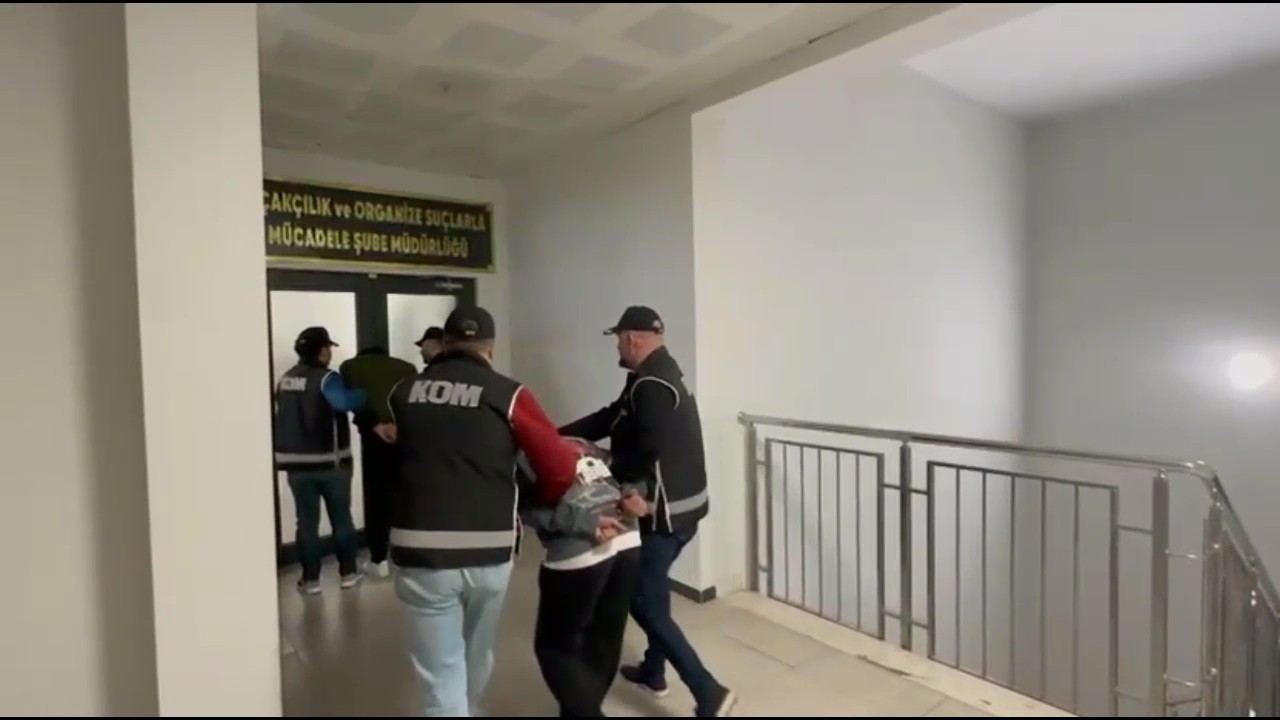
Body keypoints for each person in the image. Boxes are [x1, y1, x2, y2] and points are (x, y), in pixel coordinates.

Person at [383, 306, 580, 717]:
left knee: (441, 669)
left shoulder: (403, 392)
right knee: (477, 649)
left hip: (421, 551)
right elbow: (560, 467)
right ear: (491, 348)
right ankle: (469, 708)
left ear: (445, 343)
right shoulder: (509, 394)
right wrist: (541, 499)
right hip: (490, 549)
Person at [559, 305, 735, 717]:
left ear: (632, 338)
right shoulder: (656, 374)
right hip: (686, 509)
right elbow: (612, 417)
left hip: (663, 514)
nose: (617, 348)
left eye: (618, 340)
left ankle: (709, 692)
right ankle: (654, 672)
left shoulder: (652, 385)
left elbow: (648, 448)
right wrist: (557, 435)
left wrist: (608, 465)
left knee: (644, 602)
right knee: (655, 589)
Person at [518, 437, 648, 718]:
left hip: (579, 552)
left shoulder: (522, 456)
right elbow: (629, 473)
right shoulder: (580, 443)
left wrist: (586, 521)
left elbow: (529, 510)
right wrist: (632, 494)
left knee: (554, 648)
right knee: (605, 639)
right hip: (628, 539)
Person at [272, 326, 368, 595]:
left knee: (306, 523)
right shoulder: (327, 378)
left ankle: (310, 580)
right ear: (323, 350)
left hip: (295, 465)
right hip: (330, 464)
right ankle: (348, 573)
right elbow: (344, 403)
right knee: (341, 519)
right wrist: (364, 393)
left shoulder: (285, 379)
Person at [338, 345, 417, 579]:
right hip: (404, 437)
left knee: (375, 498)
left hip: (373, 440)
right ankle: (405, 556)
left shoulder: (351, 367)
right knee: (404, 496)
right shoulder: (407, 368)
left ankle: (379, 558)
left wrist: (373, 424)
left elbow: (354, 400)